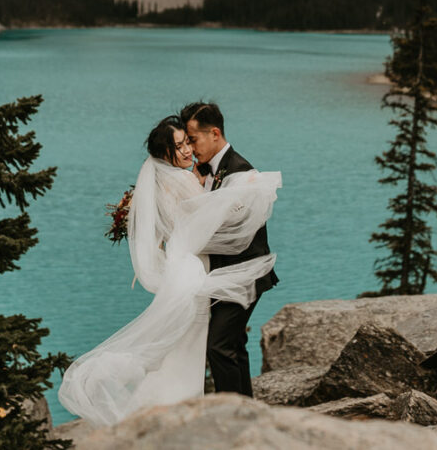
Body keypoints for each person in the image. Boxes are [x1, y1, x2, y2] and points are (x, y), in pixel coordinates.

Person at [57, 114, 280, 426]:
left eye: (188, 141)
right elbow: (213, 220)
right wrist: (250, 194)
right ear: (165, 155)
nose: (188, 149)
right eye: (180, 145)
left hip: (184, 268)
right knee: (200, 344)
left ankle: (181, 414)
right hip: (194, 270)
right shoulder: (187, 180)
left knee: (189, 344)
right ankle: (203, 418)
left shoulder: (166, 183)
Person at [181, 101, 279, 397]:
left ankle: (230, 415)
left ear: (214, 133)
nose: (190, 147)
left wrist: (181, 241)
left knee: (218, 346)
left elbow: (234, 235)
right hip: (226, 276)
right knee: (233, 345)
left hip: (246, 274)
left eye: (193, 140)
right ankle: (246, 413)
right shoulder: (207, 171)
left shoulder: (242, 174)